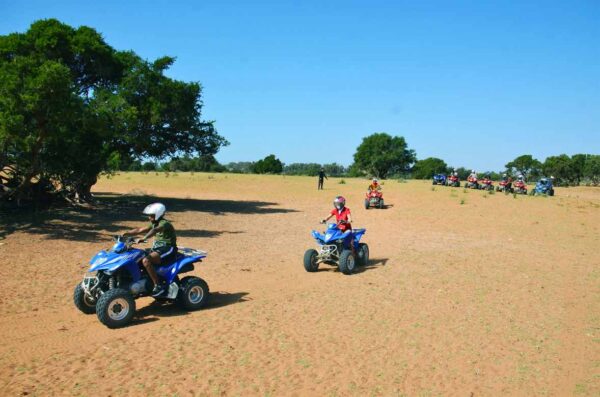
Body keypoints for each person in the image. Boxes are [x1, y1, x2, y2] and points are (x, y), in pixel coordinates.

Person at [122, 202, 178, 297]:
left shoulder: (164, 223)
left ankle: (158, 285)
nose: (149, 217)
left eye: (151, 215)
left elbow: (155, 230)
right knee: (137, 257)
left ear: (158, 214)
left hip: (168, 248)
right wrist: (125, 234)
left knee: (146, 260)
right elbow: (140, 229)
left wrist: (144, 238)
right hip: (158, 248)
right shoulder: (154, 223)